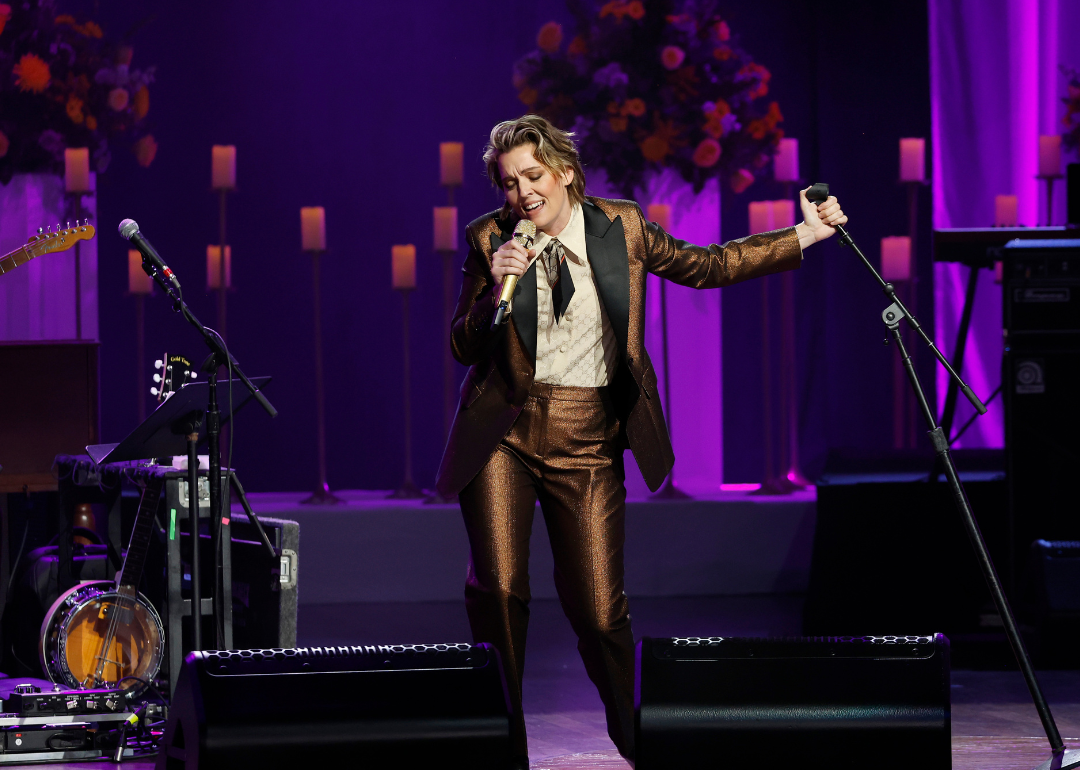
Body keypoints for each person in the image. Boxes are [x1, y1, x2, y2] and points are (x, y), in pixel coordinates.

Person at [434, 114, 846, 769]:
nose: (521, 194)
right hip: (504, 437)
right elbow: (462, 342)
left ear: (565, 171)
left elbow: (708, 266)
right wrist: (494, 295)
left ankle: (637, 742)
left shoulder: (621, 226)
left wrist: (807, 233)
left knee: (600, 613)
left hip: (590, 437)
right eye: (509, 184)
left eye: (533, 176)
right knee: (500, 592)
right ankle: (503, 750)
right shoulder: (490, 239)